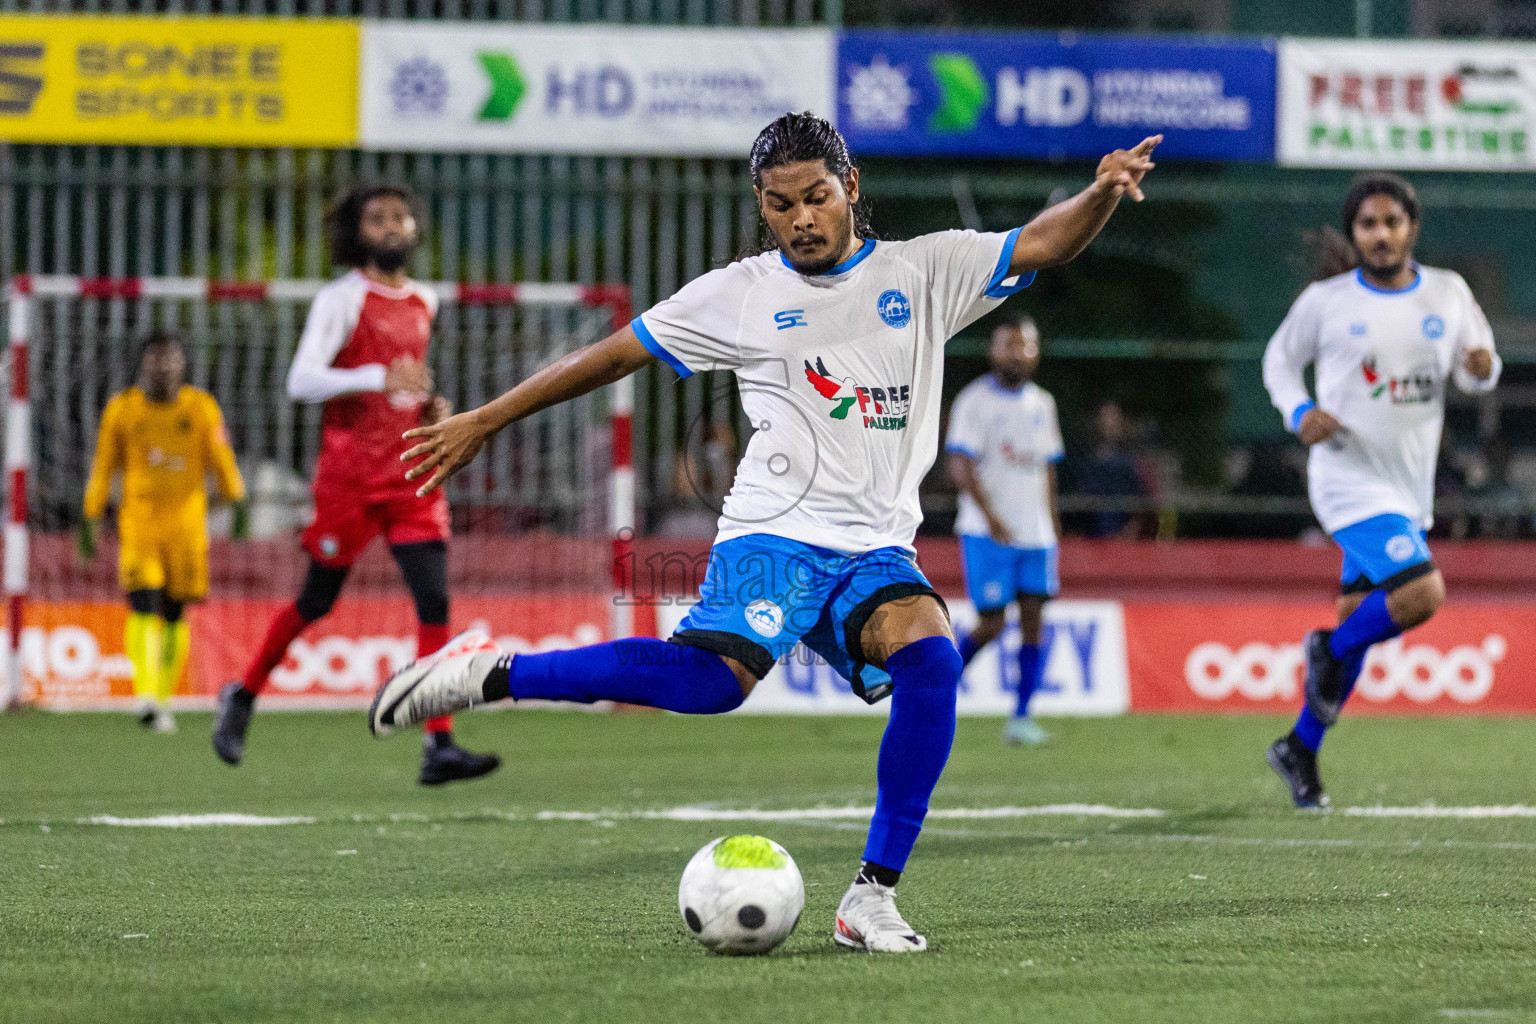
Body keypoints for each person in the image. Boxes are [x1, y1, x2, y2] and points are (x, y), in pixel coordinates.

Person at [372, 113, 1158, 950]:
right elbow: (613, 355)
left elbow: (1044, 241)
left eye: (816, 197)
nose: (802, 220)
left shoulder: (926, 270)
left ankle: (870, 900)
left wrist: (1102, 194)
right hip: (772, 532)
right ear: (762, 208)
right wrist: (489, 418)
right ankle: (495, 676)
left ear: (850, 188)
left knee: (933, 661)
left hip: (876, 546)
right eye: (780, 205)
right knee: (713, 685)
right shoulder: (739, 293)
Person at [211, 183, 500, 786]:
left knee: (435, 600)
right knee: (317, 600)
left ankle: (437, 742)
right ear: (356, 232)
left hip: (410, 472)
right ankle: (242, 693)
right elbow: (301, 380)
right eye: (378, 219)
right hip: (349, 480)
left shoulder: (426, 300)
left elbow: (404, 383)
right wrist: (375, 375)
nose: (393, 226)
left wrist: (430, 405)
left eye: (401, 216)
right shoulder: (341, 299)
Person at [1261, 172, 1499, 809]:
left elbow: (1478, 367)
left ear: (1411, 227)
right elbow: (1279, 361)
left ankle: (1299, 747)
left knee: (1358, 624)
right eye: (1368, 224)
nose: (1381, 233)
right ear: (1354, 234)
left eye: (1392, 221)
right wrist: (1298, 412)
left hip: (1407, 486)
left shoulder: (1448, 292)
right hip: (1346, 479)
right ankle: (1325, 652)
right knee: (1421, 593)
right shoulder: (1328, 300)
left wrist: (1483, 370)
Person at [80, 331, 247, 733]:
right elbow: (104, 466)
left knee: (174, 611)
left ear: (182, 364)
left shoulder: (201, 408)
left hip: (187, 526)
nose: (163, 367)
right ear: (143, 365)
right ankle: (145, 696)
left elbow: (221, 460)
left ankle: (162, 700)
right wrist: (89, 514)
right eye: (155, 359)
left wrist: (236, 500)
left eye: (170, 358)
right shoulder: (122, 410)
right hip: (139, 523)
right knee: (143, 602)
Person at [945, 317, 1063, 745]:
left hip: (1035, 534)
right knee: (992, 622)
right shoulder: (975, 401)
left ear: (1035, 351)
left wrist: (1051, 520)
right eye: (1008, 346)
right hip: (986, 532)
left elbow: (1047, 466)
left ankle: (1022, 717)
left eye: (1024, 346)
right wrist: (992, 517)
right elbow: (959, 464)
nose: (1017, 353)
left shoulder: (1042, 403)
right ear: (993, 352)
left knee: (1034, 620)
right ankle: (937, 688)